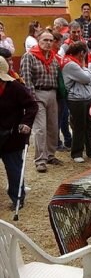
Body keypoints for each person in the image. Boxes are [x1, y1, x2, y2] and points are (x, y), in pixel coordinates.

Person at [20, 30, 64, 172]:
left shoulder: (54, 58)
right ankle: (40, 160)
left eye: (51, 40)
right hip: (37, 93)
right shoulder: (29, 56)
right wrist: (31, 100)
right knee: (40, 129)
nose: (48, 43)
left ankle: (50, 155)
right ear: (38, 41)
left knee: (53, 126)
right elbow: (26, 79)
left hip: (52, 93)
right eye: (45, 40)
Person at [0, 56, 38, 211]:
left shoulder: (15, 87)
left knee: (14, 168)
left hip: (12, 136)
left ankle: (17, 198)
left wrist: (26, 123)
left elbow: (31, 106)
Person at [61, 42, 91, 163]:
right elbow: (87, 78)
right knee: (79, 126)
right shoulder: (71, 64)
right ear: (82, 53)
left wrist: (84, 70)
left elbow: (88, 77)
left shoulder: (74, 63)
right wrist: (84, 68)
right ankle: (77, 152)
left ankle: (90, 150)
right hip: (77, 99)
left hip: (85, 97)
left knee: (89, 124)